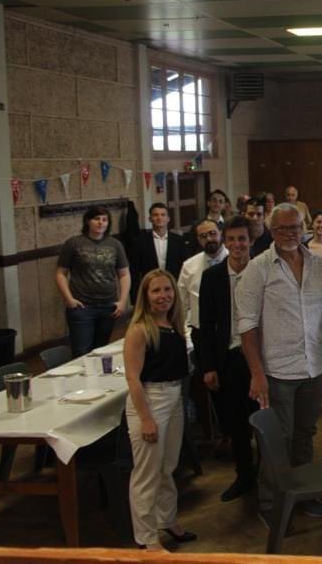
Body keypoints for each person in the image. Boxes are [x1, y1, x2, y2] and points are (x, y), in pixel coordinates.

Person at [236, 203, 322, 525]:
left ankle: (304, 495)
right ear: (271, 231)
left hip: (314, 367)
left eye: (295, 227)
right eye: (281, 228)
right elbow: (247, 325)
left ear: (304, 228)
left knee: (306, 434)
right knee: (277, 441)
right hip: (277, 372)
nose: (289, 234)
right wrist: (257, 373)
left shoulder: (319, 266)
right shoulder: (258, 268)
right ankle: (271, 503)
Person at [123, 269, 195, 550]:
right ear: (145, 296)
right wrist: (146, 419)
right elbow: (132, 377)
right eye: (156, 291)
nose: (163, 296)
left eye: (167, 290)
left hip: (174, 397)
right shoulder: (140, 329)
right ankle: (146, 538)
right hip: (151, 401)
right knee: (147, 473)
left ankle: (168, 520)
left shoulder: (173, 324)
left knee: (167, 467)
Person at [195, 216, 258, 502]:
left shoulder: (263, 272)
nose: (236, 245)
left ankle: (270, 474)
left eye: (241, 239)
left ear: (251, 240)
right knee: (236, 422)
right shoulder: (212, 277)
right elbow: (205, 326)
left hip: (262, 356)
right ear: (224, 240)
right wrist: (208, 366)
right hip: (231, 356)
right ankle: (245, 475)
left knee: (264, 418)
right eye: (230, 239)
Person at [55, 205, 131, 356]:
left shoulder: (115, 244)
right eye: (96, 219)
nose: (100, 223)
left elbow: (124, 274)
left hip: (108, 305)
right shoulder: (74, 243)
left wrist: (122, 301)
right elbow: (60, 273)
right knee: (81, 351)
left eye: (104, 220)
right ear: (87, 221)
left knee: (101, 350)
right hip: (82, 306)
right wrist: (69, 299)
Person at [177, 219, 228, 339]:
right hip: (201, 332)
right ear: (198, 240)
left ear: (221, 233)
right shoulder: (189, 266)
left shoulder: (235, 260)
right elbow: (181, 303)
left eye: (213, 233)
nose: (209, 239)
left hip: (229, 330)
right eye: (203, 236)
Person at [133, 203, 187, 291]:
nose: (159, 218)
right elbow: (134, 271)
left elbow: (185, 267)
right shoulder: (140, 242)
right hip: (150, 288)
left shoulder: (179, 241)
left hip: (174, 287)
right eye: (155, 215)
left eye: (163, 215)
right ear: (150, 219)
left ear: (168, 219)